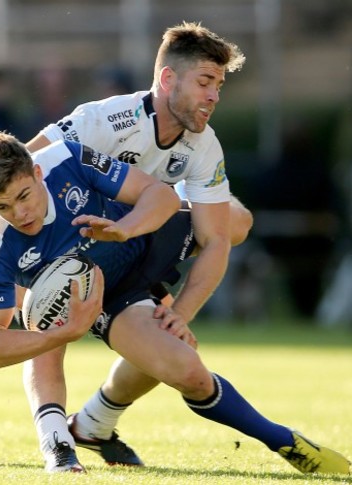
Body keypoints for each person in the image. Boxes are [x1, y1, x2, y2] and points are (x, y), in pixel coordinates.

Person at [0, 132, 351, 475]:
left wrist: (126, 229)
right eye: (2, 207)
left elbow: (159, 197)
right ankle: (284, 441)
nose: (20, 214)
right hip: (112, 296)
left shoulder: (67, 157)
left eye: (23, 197)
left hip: (143, 236)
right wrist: (69, 330)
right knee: (186, 369)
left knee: (235, 222)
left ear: (37, 173)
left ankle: (93, 423)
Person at [22, 21, 255, 465]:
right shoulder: (104, 119)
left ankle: (93, 421)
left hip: (133, 242)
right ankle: (58, 444)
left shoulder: (202, 142)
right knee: (47, 326)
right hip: (67, 242)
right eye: (205, 82)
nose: (214, 96)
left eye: (219, 86)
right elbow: (25, 161)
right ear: (168, 78)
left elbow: (220, 239)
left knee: (236, 223)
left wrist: (178, 315)